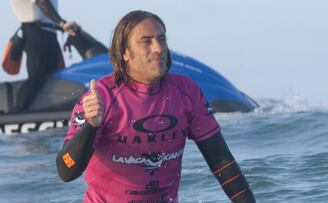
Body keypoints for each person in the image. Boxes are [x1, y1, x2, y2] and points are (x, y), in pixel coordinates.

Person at [56, 10, 256, 203]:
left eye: (161, 39)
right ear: (125, 52)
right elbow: (66, 170)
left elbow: (222, 162)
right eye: (146, 41)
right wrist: (90, 126)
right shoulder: (101, 98)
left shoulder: (186, 92)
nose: (158, 48)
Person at [9, 0, 80, 111]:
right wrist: (61, 23)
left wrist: (63, 26)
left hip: (49, 32)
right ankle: (17, 112)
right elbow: (42, 3)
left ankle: (49, 111)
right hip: (35, 33)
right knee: (37, 75)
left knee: (53, 77)